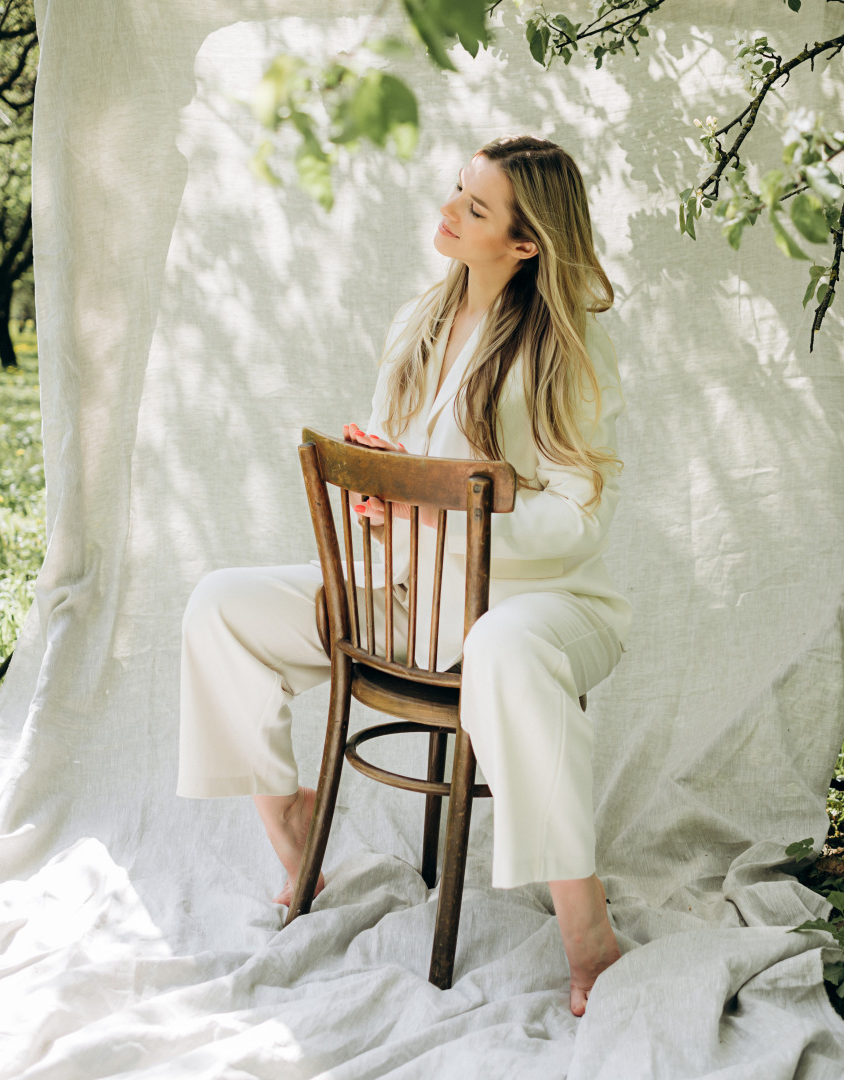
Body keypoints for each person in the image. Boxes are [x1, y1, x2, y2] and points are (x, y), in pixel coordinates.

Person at [178, 135, 629, 1017]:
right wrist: (380, 486)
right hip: (409, 592)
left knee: (499, 649)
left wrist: (445, 510)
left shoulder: (565, 351)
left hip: (538, 604)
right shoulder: (420, 317)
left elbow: (579, 520)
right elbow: (396, 456)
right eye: (456, 190)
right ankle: (292, 829)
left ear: (526, 242)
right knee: (220, 606)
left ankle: (590, 937)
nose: (449, 211)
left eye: (476, 207)